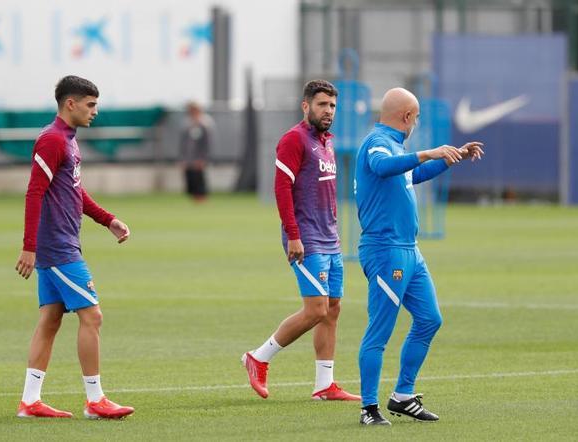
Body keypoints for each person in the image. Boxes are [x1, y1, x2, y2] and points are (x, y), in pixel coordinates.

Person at [355, 87, 484, 425]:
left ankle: (402, 395)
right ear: (408, 117)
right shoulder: (377, 141)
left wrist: (450, 158)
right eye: (417, 117)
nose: (417, 122)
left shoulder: (396, 145)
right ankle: (369, 409)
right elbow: (381, 167)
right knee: (379, 331)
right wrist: (428, 152)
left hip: (409, 250)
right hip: (385, 250)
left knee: (430, 319)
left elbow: (412, 175)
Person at [14, 75, 135, 419]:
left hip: (60, 243)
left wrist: (107, 219)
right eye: (91, 104)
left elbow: (73, 190)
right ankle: (95, 400)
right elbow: (34, 192)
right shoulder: (52, 140)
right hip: (57, 247)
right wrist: (29, 246)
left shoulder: (67, 139)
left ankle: (30, 401)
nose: (95, 111)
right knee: (92, 316)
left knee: (50, 318)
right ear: (71, 103)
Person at [241, 79, 360, 402]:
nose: (328, 111)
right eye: (322, 104)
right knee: (316, 309)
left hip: (330, 239)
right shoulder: (294, 139)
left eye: (333, 106)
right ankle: (258, 357)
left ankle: (324, 384)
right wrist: (293, 235)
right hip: (306, 239)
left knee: (332, 309)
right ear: (305, 105)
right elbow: (282, 189)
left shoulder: (327, 141)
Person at [179, 101, 213, 202]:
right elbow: (183, 143)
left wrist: (203, 158)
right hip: (188, 157)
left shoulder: (205, 123)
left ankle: (202, 198)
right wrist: (182, 158)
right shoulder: (187, 124)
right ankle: (194, 198)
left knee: (199, 178)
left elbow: (208, 144)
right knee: (190, 179)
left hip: (199, 157)